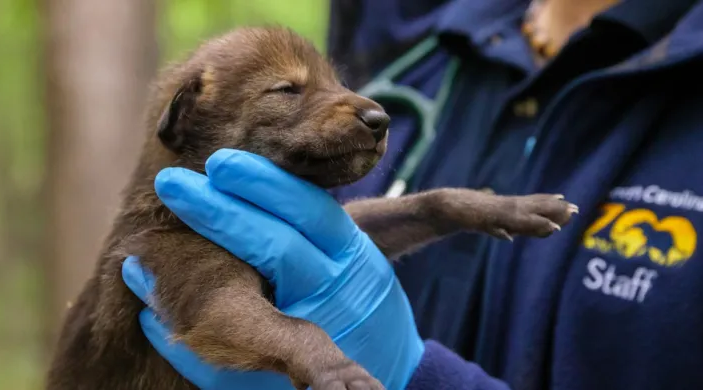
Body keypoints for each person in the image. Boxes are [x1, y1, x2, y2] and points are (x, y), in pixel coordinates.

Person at [122, 0, 703, 388]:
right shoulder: (423, 55)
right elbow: (336, 243)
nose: (349, 104)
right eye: (291, 90)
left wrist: (413, 376)